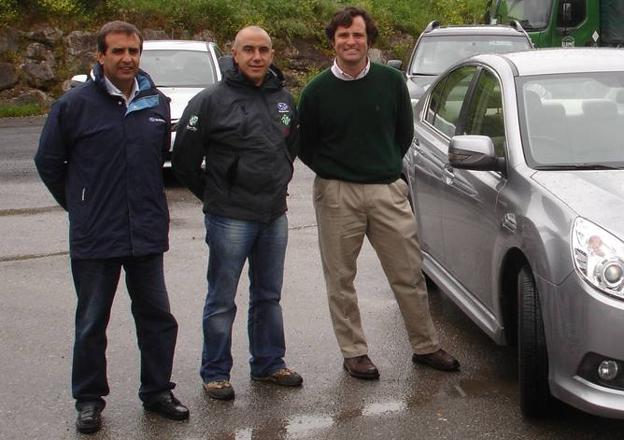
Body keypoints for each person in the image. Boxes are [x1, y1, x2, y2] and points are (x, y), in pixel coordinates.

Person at [34, 20, 189, 434]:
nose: (127, 59)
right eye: (118, 51)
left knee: (157, 318)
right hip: (95, 235)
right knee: (91, 321)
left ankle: (157, 391)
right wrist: (79, 205)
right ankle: (89, 400)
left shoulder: (156, 103)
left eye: (134, 51)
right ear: (100, 56)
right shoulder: (74, 105)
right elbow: (48, 162)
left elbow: (157, 160)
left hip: (146, 232)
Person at [298, 7, 460, 380]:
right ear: (333, 43)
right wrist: (336, 171)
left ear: (368, 40)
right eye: (343, 36)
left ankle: (425, 345)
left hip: (387, 190)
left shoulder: (390, 82)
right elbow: (305, 145)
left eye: (357, 35)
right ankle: (354, 352)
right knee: (340, 278)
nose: (351, 42)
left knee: (408, 272)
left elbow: (403, 133)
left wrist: (383, 167)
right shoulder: (316, 90)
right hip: (337, 193)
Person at [172, 25, 302, 401]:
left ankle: (268, 364)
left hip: (273, 215)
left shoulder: (283, 99)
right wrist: (216, 195)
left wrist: (275, 183)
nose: (257, 56)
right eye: (248, 50)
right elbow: (183, 161)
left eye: (263, 49)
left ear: (272, 54)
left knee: (268, 295)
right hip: (229, 217)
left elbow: (290, 147)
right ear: (235, 53)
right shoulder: (210, 100)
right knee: (221, 298)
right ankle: (215, 373)